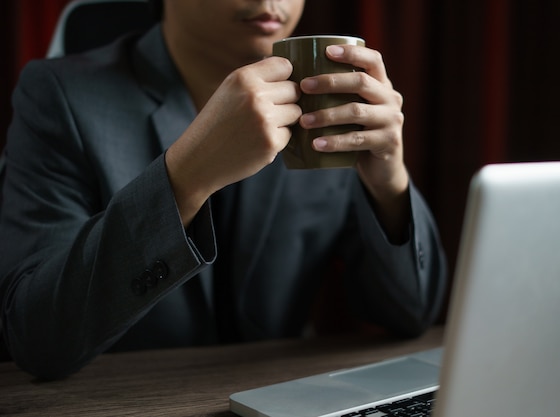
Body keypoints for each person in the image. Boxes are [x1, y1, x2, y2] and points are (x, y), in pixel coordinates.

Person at [0, 0, 446, 380]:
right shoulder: (60, 94)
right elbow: (36, 338)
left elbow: (411, 314)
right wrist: (186, 176)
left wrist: (389, 182)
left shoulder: (326, 94)